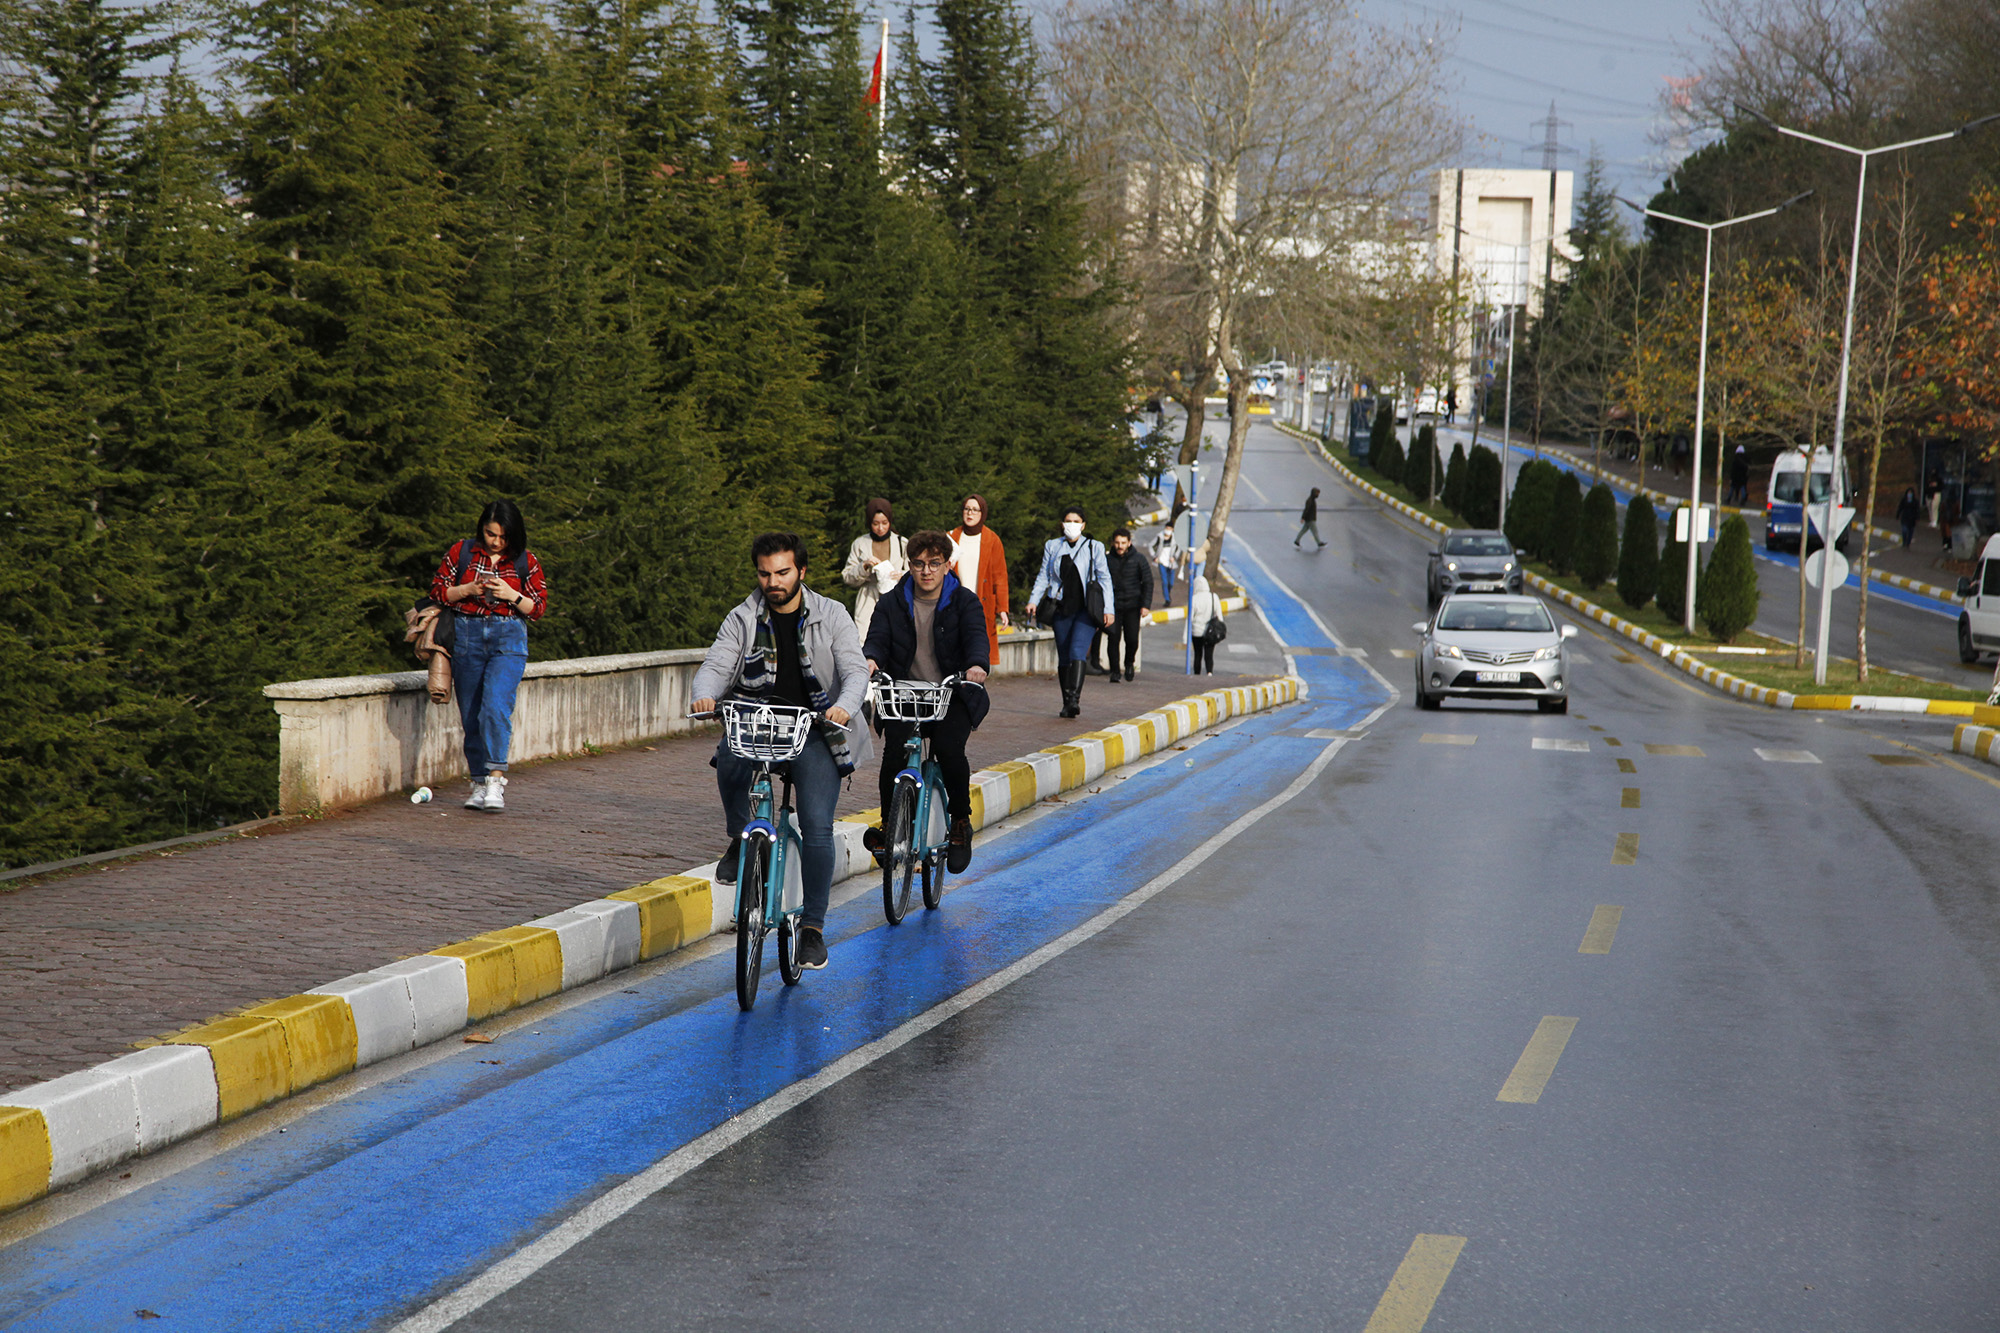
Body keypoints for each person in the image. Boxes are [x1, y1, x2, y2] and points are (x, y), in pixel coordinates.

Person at [692, 533, 869, 973]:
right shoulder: (743, 617)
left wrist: (844, 706)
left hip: (816, 729)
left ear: (801, 572)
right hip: (758, 723)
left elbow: (853, 669)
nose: (773, 581)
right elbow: (717, 664)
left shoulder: (832, 614)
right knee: (729, 758)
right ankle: (739, 836)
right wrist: (704, 695)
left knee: (816, 826)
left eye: (782, 572)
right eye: (765, 573)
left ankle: (812, 929)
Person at [862, 530, 991, 873]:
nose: (926, 571)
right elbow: (876, 639)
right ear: (910, 565)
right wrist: (871, 659)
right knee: (894, 754)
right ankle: (890, 826)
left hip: (952, 693)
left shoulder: (964, 601)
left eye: (935, 563)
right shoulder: (892, 602)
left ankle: (960, 822)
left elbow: (977, 636)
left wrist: (977, 665)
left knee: (949, 750)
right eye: (918, 564)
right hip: (905, 695)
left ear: (948, 565)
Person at [431, 501, 548, 813]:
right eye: (490, 533)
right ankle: (479, 782)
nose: (495, 541)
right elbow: (438, 592)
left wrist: (511, 595)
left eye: (502, 536)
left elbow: (537, 608)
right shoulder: (462, 552)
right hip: (467, 634)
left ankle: (496, 780)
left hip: (508, 637)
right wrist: (469, 588)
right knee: (470, 714)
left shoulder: (526, 561)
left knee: (495, 707)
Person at [1024, 507, 1116, 718]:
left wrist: (1109, 609)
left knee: (1077, 651)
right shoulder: (1053, 546)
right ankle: (1066, 702)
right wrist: (1033, 601)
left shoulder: (1094, 547)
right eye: (1068, 520)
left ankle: (1074, 700)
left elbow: (1105, 578)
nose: (1071, 524)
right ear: (1062, 523)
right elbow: (1044, 576)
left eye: (1076, 521)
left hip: (1086, 610)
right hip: (1061, 608)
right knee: (1064, 655)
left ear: (1083, 525)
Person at [949, 494, 1010, 663]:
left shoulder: (992, 540)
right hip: (953, 603)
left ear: (982, 513)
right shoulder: (951, 537)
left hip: (980, 605)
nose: (970, 513)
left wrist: (1002, 609)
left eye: (975, 510)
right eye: (967, 509)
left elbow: (1000, 577)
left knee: (978, 653)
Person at [840, 498, 907, 646]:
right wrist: (864, 566)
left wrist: (901, 575)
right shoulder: (860, 543)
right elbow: (847, 577)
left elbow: (914, 572)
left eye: (884, 523)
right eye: (875, 524)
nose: (880, 528)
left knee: (898, 638)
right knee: (865, 640)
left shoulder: (902, 543)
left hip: (895, 595)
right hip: (868, 597)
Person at [1104, 529, 1154, 682]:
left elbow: (1148, 582)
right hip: (1113, 607)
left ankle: (1129, 663)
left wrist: (1145, 605)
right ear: (1113, 543)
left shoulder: (1139, 559)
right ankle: (1114, 671)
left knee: (1132, 639)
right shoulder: (1106, 560)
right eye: (1117, 543)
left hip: (1133, 606)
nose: (1120, 546)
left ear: (1129, 543)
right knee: (1113, 639)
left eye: (1123, 543)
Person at [1188, 573, 1221, 675]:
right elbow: (1219, 615)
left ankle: (1197, 674)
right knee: (1209, 654)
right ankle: (1209, 672)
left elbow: (1189, 618)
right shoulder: (1213, 597)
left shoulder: (1193, 599)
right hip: (1210, 632)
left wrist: (1185, 636)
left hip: (1196, 632)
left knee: (1198, 654)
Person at [1150, 525, 1181, 607]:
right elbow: (1150, 546)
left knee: (1170, 583)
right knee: (1164, 581)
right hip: (1162, 562)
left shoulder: (1175, 538)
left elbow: (1179, 548)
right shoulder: (1160, 537)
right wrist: (1154, 556)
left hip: (1171, 564)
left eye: (1170, 529)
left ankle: (1168, 592)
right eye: (1167, 528)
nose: (1168, 530)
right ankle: (1167, 599)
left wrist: (1174, 557)